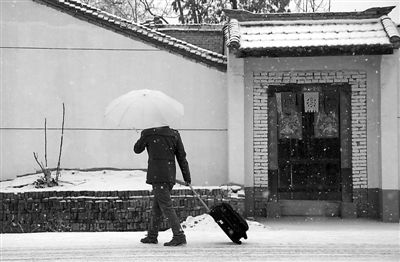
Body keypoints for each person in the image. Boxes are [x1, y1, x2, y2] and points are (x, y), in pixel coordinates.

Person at [134, 125, 191, 246]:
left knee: (166, 206)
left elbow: (137, 149)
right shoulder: (174, 134)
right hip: (169, 176)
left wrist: (143, 135)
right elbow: (182, 157)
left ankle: (179, 235)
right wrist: (187, 177)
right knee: (157, 207)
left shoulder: (148, 134)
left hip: (157, 176)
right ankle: (152, 235)